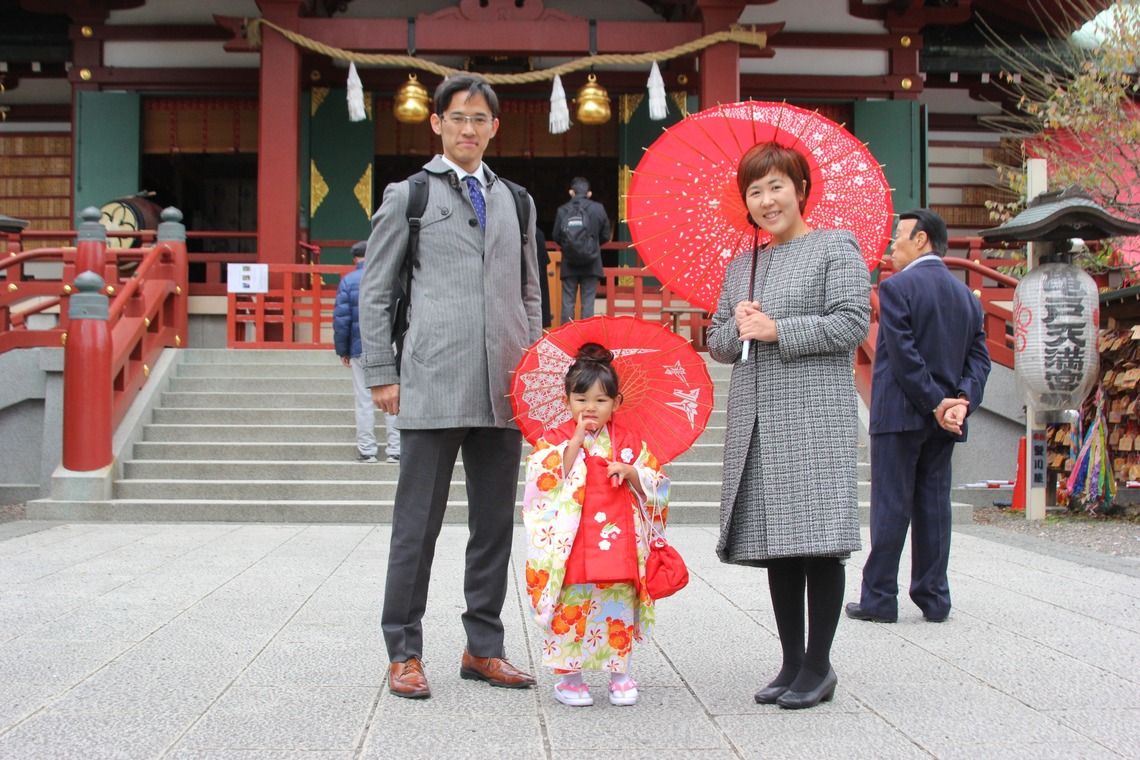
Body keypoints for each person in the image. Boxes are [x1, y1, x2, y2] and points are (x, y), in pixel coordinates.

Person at [358, 73, 542, 699]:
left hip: (504, 388)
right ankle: (404, 650)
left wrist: (536, 369)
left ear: (495, 127)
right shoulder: (408, 195)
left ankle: (482, 646)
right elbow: (377, 291)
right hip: (433, 380)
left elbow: (528, 289)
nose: (469, 129)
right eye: (458, 118)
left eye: (480, 119)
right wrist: (381, 372)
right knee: (417, 525)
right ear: (436, 123)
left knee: (493, 526)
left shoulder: (517, 199)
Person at [706, 141, 870, 710]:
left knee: (817, 543)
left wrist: (780, 329)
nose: (767, 199)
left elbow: (852, 323)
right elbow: (718, 343)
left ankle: (819, 666)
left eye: (777, 185)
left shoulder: (834, 247)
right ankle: (791, 661)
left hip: (814, 413)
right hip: (757, 415)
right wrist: (741, 324)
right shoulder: (742, 264)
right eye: (755, 191)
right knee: (779, 545)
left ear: (801, 188)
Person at [845, 209, 991, 625]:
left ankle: (879, 598)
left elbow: (905, 358)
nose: (893, 246)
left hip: (901, 413)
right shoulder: (966, 296)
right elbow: (980, 360)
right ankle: (934, 597)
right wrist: (960, 401)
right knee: (934, 505)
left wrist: (935, 402)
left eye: (900, 237)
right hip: (945, 419)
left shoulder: (897, 288)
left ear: (922, 239)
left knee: (891, 504)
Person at [521, 343, 670, 708]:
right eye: (581, 398)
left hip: (618, 542)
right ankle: (568, 677)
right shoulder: (555, 439)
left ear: (617, 403)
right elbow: (545, 479)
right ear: (567, 401)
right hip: (571, 544)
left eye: (601, 400)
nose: (591, 408)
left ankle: (620, 673)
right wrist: (574, 441)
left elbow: (657, 483)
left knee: (615, 605)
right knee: (571, 605)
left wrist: (632, 471)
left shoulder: (629, 442)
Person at [332, 241, 400, 464]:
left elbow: (342, 319)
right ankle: (395, 449)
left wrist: (343, 350)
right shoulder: (387, 276)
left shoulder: (348, 281)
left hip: (359, 348)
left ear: (354, 259)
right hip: (388, 346)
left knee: (363, 400)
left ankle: (367, 451)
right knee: (393, 396)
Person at [552, 177, 610, 324]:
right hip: (592, 263)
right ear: (589, 193)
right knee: (588, 304)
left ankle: (566, 338)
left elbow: (556, 236)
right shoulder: (598, 209)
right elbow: (605, 236)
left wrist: (570, 247)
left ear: (571, 192)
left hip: (569, 262)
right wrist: (592, 246)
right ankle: (586, 339)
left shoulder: (563, 210)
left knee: (568, 303)